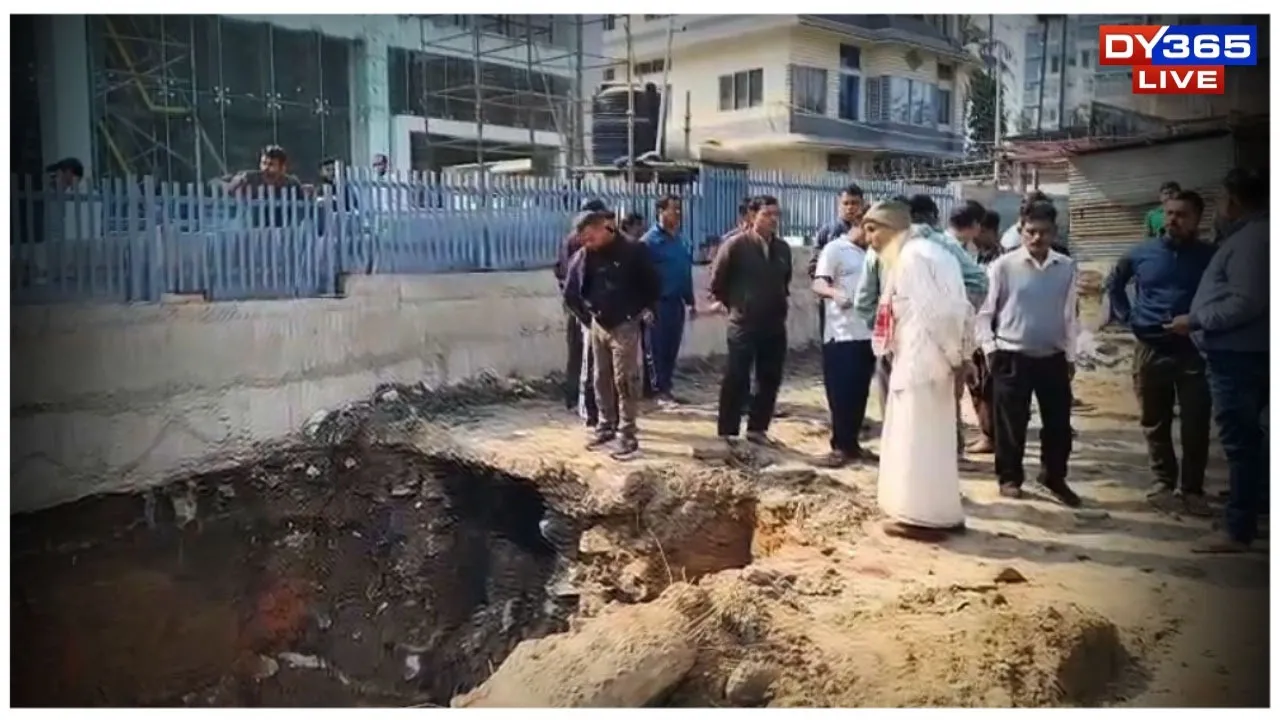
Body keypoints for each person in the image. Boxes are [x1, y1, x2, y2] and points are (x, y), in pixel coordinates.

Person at [863, 200, 973, 538]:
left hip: (923, 365)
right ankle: (942, 513)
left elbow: (941, 314)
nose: (869, 238)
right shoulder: (923, 252)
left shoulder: (914, 257)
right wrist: (959, 357)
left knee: (917, 442)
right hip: (927, 363)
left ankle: (919, 519)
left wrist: (958, 359)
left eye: (873, 229)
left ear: (893, 226)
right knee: (933, 443)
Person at [1172, 169, 1268, 554]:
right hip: (1248, 352)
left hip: (1240, 356)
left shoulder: (1252, 240)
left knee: (1241, 443)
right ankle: (1251, 510)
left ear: (1234, 202)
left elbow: (1246, 301)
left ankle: (1238, 530)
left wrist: (1194, 320)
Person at [1108, 190, 1216, 515]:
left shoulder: (1210, 256)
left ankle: (1192, 489)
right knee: (1155, 421)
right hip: (1150, 348)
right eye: (1169, 213)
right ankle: (1163, 483)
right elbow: (1114, 284)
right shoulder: (1141, 253)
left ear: (1198, 219)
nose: (1173, 220)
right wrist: (1127, 317)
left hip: (1194, 350)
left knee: (1196, 423)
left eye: (1182, 215)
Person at [976, 201, 1082, 507]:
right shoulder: (1003, 266)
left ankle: (1054, 476)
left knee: (1059, 424)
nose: (1037, 238)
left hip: (1052, 356)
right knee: (1011, 423)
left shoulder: (1065, 267)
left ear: (1054, 232)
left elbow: (1069, 317)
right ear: (1021, 231)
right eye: (1031, 232)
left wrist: (1071, 355)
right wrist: (990, 349)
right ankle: (1009, 477)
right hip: (1010, 355)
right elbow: (984, 313)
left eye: (1044, 232)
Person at [855, 195, 988, 424]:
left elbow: (864, 301)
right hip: (937, 344)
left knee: (896, 413)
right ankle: (948, 455)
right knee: (939, 412)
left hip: (895, 343)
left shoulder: (879, 246)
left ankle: (898, 458)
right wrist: (950, 319)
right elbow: (979, 282)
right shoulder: (943, 244)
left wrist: (884, 330)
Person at [562, 209, 661, 459]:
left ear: (605, 227)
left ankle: (627, 434)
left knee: (626, 380)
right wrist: (587, 319)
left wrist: (644, 310)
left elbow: (652, 285)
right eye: (582, 238)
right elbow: (570, 292)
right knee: (600, 378)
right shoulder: (585, 256)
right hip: (598, 324)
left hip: (625, 324)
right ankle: (606, 425)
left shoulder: (633, 251)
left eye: (589, 236)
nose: (586, 242)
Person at [710, 195, 793, 448]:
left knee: (769, 377)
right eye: (767, 214)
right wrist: (737, 305)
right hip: (743, 323)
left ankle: (757, 429)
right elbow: (717, 282)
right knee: (737, 377)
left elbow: (784, 281)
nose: (773, 220)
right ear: (751, 216)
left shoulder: (782, 249)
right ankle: (728, 432)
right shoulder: (736, 246)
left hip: (774, 323)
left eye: (776, 214)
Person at [811, 221, 877, 467]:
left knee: (860, 393)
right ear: (862, 225)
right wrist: (835, 294)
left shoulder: (872, 253)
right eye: (872, 230)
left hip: (867, 333)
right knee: (842, 392)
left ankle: (852, 445)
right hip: (841, 333)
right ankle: (839, 445)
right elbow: (818, 283)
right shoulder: (835, 249)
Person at [554, 199, 609, 424]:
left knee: (579, 354)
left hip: (577, 303)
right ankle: (580, 401)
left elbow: (559, 269)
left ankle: (575, 398)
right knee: (583, 354)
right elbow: (568, 272)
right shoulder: (579, 240)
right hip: (580, 304)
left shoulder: (573, 238)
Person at [642, 195, 697, 406]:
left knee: (671, 347)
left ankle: (666, 388)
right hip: (657, 303)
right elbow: (640, 276)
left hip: (676, 302)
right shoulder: (649, 242)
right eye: (673, 209)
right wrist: (645, 305)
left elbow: (684, 270)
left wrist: (690, 299)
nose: (678, 214)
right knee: (657, 348)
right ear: (661, 212)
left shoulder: (679, 240)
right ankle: (656, 391)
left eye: (679, 209)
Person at [965, 210, 1004, 454]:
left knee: (989, 387)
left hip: (992, 331)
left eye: (978, 232)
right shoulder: (977, 258)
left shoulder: (999, 261)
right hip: (976, 330)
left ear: (988, 230)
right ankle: (986, 433)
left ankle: (991, 436)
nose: (974, 238)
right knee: (977, 385)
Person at [808, 184, 867, 338]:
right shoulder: (828, 232)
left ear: (862, 204)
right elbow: (814, 267)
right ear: (838, 204)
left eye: (854, 203)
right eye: (846, 203)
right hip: (833, 300)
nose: (850, 208)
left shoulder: (870, 230)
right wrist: (832, 290)